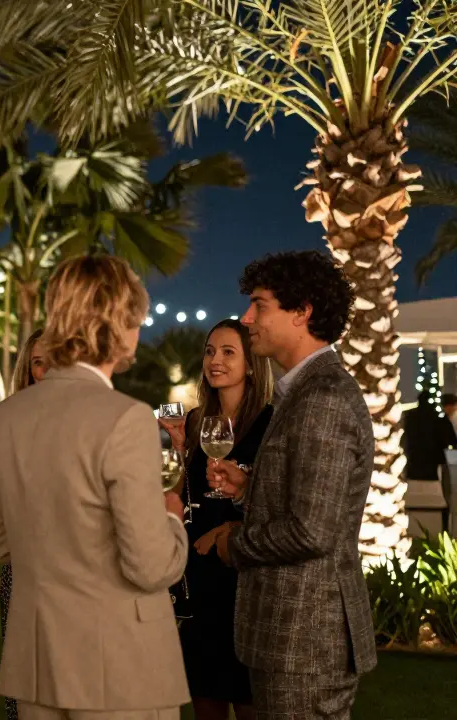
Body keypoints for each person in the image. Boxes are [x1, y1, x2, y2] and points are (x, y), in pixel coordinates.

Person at [0, 255, 189, 720]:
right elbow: (151, 567)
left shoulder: (5, 418)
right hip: (119, 666)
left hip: (37, 663)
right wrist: (172, 516)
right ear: (119, 321)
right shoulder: (125, 418)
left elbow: (0, 545)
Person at [211, 251, 376, 719]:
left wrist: (234, 542)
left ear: (301, 312)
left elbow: (313, 530)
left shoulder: (321, 396)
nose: (247, 319)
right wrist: (251, 488)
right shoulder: (304, 392)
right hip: (293, 638)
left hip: (304, 641)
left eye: (259, 306)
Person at [158, 319, 273, 720]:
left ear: (252, 364)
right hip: (200, 579)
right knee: (204, 698)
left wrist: (233, 527)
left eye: (228, 352)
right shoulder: (195, 421)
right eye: (209, 351)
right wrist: (178, 447)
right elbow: (186, 493)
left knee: (249, 699)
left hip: (244, 578)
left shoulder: (271, 423)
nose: (215, 360)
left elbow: (278, 499)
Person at [0, 328, 45, 720]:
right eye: (38, 361)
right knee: (25, 687)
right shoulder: (10, 420)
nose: (47, 369)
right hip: (22, 568)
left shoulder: (86, 419)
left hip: (81, 573)